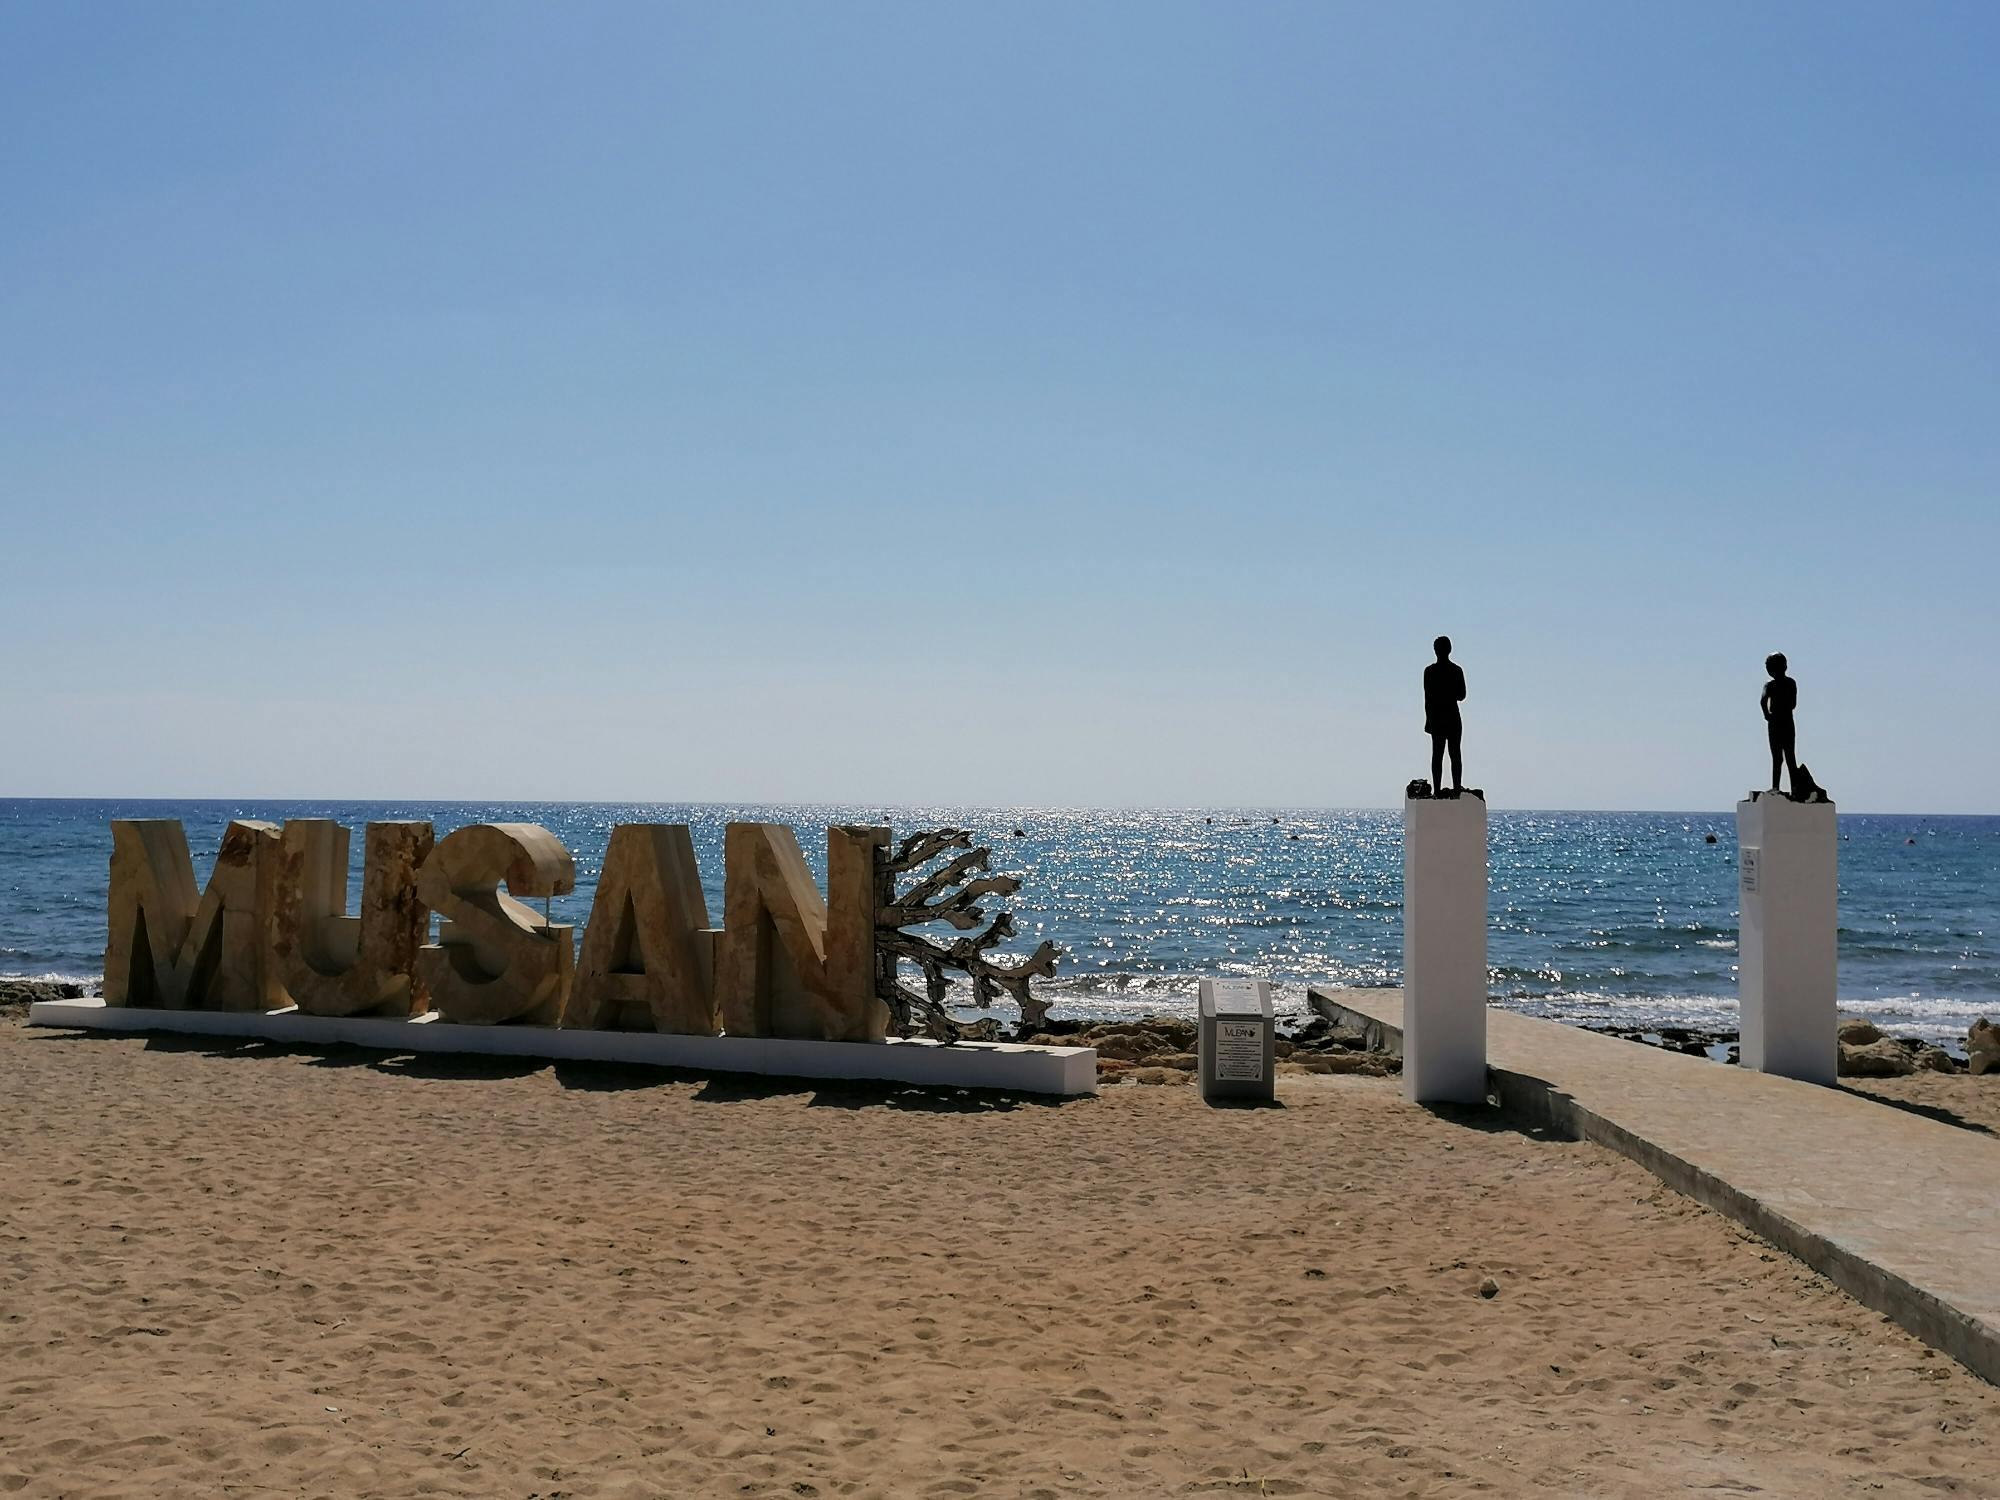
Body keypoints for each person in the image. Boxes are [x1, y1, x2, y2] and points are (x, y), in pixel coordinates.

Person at [1424, 636, 1466, 794]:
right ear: (1450, 649)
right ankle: (1456, 789)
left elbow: (1428, 699)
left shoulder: (1430, 672)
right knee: (1454, 754)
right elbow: (1461, 695)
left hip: (1437, 718)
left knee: (1438, 754)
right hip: (1451, 716)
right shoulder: (1456, 670)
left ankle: (1437, 790)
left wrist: (1428, 720)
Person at [1761, 652, 1799, 796]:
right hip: (1785, 721)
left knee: (1781, 757)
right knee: (1787, 757)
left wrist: (1768, 715)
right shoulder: (1790, 683)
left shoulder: (1771, 685)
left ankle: (1779, 787)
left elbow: (1763, 701)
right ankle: (1791, 788)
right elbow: (1793, 704)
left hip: (1778, 722)